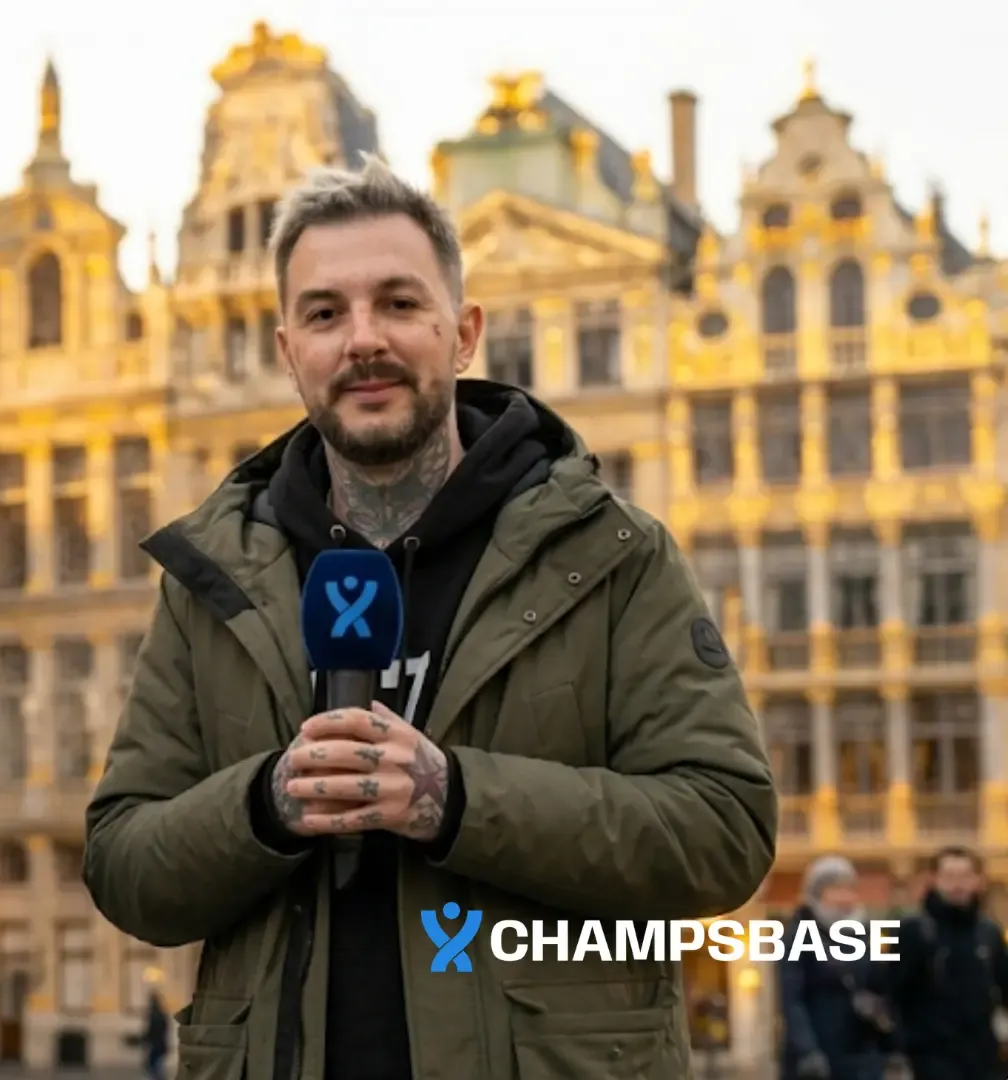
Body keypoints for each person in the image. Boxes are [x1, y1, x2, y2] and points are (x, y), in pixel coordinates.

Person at [82, 156, 777, 1080]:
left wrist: (459, 799)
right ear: (290, 351)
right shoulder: (213, 576)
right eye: (326, 313)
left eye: (400, 304)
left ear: (463, 334)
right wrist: (266, 803)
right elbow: (125, 864)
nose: (363, 339)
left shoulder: (610, 551)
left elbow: (725, 829)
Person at [891, 846, 1008, 1080]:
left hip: (983, 1058)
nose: (958, 884)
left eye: (965, 876)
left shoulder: (988, 933)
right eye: (949, 876)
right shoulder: (913, 932)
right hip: (930, 1058)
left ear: (977, 880)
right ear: (934, 880)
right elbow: (893, 993)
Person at [778, 856, 897, 1080]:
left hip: (862, 1053)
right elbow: (791, 1000)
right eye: (835, 889)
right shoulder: (797, 936)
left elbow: (881, 985)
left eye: (849, 889)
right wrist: (808, 1051)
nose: (845, 897)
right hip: (818, 1056)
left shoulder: (866, 933)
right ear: (816, 894)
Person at [141, 988, 171, 1080]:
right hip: (160, 1044)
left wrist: (144, 1039)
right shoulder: (162, 1015)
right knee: (157, 1068)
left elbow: (151, 1032)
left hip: (155, 1045)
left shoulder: (153, 1016)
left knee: (154, 1068)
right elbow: (165, 1031)